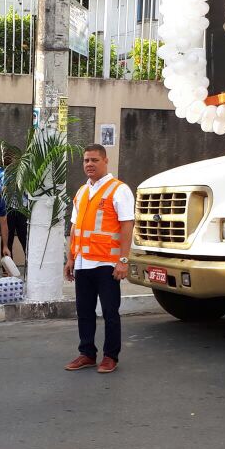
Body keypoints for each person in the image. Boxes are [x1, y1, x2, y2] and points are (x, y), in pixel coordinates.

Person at [64, 145, 135, 374]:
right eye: (86, 160)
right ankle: (87, 353)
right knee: (84, 311)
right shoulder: (82, 192)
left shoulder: (119, 190)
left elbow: (127, 225)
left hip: (107, 263)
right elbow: (74, 227)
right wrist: (70, 257)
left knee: (110, 312)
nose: (89, 164)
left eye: (94, 160)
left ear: (105, 161)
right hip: (83, 262)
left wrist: (123, 260)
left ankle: (110, 357)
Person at [0, 150, 28, 261]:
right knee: (7, 237)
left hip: (21, 208)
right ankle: (7, 269)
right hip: (7, 209)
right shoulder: (0, 172)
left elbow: (28, 190)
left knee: (24, 237)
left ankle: (30, 266)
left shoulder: (22, 172)